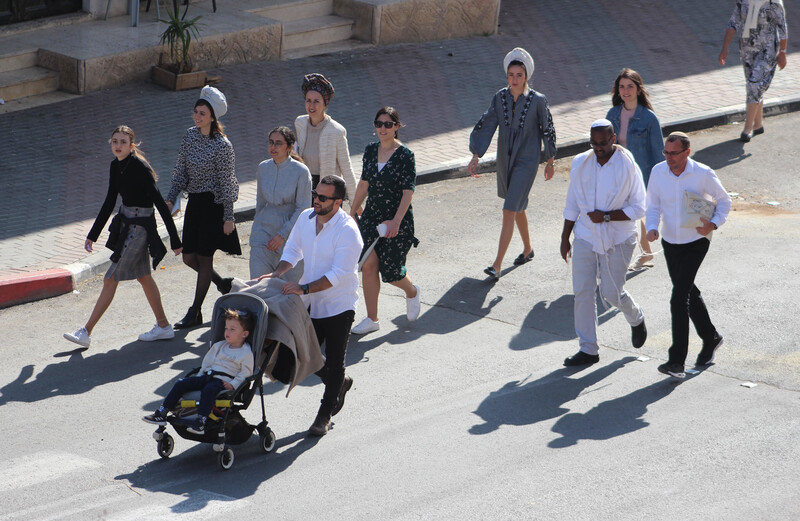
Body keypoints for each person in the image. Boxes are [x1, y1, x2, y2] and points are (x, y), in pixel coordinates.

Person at [259, 175, 363, 436]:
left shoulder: (348, 231)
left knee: (335, 360)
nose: (316, 201)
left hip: (338, 305)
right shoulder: (306, 217)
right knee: (297, 359)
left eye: (323, 198)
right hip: (310, 302)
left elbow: (338, 275)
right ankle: (338, 383)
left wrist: (303, 287)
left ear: (338, 202)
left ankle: (324, 415)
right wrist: (277, 274)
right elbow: (292, 251)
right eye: (315, 195)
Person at [63, 126, 182, 348]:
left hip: (140, 228)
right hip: (127, 225)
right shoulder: (115, 166)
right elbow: (109, 201)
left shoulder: (140, 167)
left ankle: (86, 332)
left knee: (110, 278)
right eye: (115, 141)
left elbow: (160, 203)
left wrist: (174, 239)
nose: (118, 145)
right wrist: (93, 234)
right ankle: (164, 326)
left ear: (132, 145)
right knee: (144, 277)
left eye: (123, 142)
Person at [559, 119, 648, 366]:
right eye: (594, 143)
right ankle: (588, 349)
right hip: (586, 236)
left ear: (613, 139)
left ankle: (636, 316)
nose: (598, 148)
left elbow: (640, 207)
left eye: (603, 143)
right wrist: (565, 237)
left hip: (619, 237)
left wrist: (606, 216)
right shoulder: (581, 163)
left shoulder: (627, 164)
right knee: (583, 292)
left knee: (610, 293)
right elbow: (572, 203)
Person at [646, 132, 731, 379]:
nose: (669, 158)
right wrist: (652, 227)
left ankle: (676, 362)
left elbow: (724, 201)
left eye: (674, 153)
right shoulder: (658, 172)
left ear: (687, 152)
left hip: (696, 241)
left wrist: (712, 225)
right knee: (688, 293)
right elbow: (652, 205)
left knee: (678, 297)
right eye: (666, 152)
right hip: (671, 242)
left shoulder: (703, 173)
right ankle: (711, 338)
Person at [469, 47, 557, 280]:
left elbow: (547, 129)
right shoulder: (500, 98)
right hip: (505, 160)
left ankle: (497, 265)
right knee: (516, 206)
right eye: (511, 75)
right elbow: (487, 124)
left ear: (526, 76)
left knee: (509, 209)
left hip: (527, 161)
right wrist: (476, 154)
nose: (514, 79)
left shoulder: (538, 100)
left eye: (519, 75)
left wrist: (550, 160)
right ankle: (528, 249)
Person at [165, 86, 241, 330]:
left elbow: (227, 182)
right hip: (195, 204)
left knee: (205, 260)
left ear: (213, 117)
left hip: (214, 206)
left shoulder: (222, 146)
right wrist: (170, 198)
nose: (197, 117)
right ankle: (221, 283)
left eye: (202, 113)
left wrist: (229, 217)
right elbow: (180, 171)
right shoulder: (189, 136)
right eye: (195, 112)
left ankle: (195, 311)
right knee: (189, 257)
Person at [349, 107, 420, 335]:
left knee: (391, 272)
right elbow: (364, 183)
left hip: (396, 218)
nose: (383, 128)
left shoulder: (405, 155)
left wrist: (396, 222)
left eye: (388, 124)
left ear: (397, 127)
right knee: (368, 267)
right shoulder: (370, 150)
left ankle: (411, 291)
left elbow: (408, 191)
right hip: (371, 217)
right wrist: (351, 211)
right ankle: (372, 319)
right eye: (379, 123)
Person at [143, 308, 255, 434]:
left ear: (244, 334)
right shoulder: (219, 346)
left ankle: (201, 420)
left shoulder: (245, 352)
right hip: (208, 376)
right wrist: (200, 376)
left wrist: (233, 384)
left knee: (209, 390)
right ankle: (162, 412)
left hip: (223, 381)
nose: (227, 332)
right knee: (181, 383)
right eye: (226, 328)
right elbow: (207, 363)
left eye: (232, 329)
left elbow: (246, 373)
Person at [605, 68, 664, 270]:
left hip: (642, 174)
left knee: (635, 213)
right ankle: (643, 253)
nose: (626, 91)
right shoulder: (612, 114)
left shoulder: (649, 118)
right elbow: (604, 145)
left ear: (639, 90)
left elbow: (659, 153)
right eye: (622, 87)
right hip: (617, 173)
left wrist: (661, 180)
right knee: (623, 213)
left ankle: (639, 253)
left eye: (630, 86)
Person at [719, 0, 788, 142]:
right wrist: (725, 48)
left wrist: (783, 52)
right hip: (747, 50)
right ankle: (758, 124)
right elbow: (734, 22)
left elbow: (782, 27)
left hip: (767, 50)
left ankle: (747, 128)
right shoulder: (743, 1)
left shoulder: (773, 3)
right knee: (753, 87)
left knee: (753, 85)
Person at [250, 126, 312, 282]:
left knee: (289, 293)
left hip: (291, 238)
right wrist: (257, 229)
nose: (273, 147)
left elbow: (303, 208)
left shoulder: (301, 172)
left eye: (278, 143)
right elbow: (260, 203)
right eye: (271, 142)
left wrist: (282, 235)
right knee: (258, 287)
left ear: (289, 147)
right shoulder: (263, 167)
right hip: (262, 235)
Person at [294, 73, 357, 202]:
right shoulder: (300, 123)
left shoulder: (336, 131)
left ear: (325, 104)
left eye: (316, 101)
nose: (311, 106)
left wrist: (355, 203)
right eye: (308, 101)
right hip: (305, 188)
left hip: (328, 192)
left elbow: (347, 169)